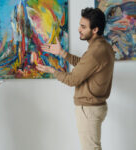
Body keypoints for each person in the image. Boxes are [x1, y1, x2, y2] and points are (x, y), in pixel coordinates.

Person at [36, 8, 115, 150]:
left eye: (83, 27)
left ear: (95, 29)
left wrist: (52, 71)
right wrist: (62, 53)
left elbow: (72, 80)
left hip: (89, 109)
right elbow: (85, 66)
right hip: (95, 107)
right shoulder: (103, 47)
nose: (79, 29)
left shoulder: (95, 51)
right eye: (80, 25)